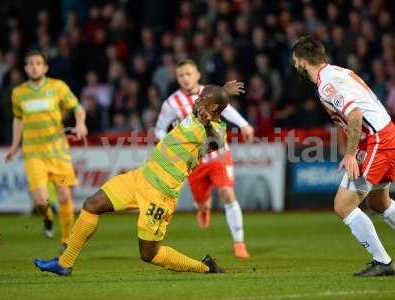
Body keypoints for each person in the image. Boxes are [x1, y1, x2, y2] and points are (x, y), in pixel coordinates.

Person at [33, 84, 241, 276]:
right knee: (92, 205)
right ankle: (64, 263)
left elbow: (217, 142)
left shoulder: (215, 129)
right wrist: (222, 90)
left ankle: (205, 267)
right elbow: (214, 101)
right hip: (141, 177)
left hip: (161, 193)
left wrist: (207, 125)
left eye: (202, 98)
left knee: (149, 254)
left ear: (213, 106)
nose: (197, 99)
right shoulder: (199, 111)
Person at [292, 36, 395, 277]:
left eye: (296, 62)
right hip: (383, 137)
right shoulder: (338, 72)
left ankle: (383, 262)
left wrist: (351, 154)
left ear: (303, 62)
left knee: (343, 204)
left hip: (378, 142)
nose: (296, 66)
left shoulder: (327, 85)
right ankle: (383, 262)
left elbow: (355, 114)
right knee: (379, 203)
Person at [155, 59, 253, 259]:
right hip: (194, 161)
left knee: (227, 193)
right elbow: (158, 129)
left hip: (219, 155)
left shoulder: (211, 91)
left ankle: (239, 243)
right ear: (177, 78)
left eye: (189, 73)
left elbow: (228, 109)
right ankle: (203, 209)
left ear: (198, 74)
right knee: (203, 204)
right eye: (181, 75)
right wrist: (170, 145)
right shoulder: (171, 103)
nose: (185, 78)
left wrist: (244, 124)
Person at [5, 50, 88, 251]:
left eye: (38, 63)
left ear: (45, 67)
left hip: (58, 154)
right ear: (25, 68)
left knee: (64, 197)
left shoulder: (57, 87)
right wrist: (15, 145)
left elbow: (77, 107)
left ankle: (67, 240)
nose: (34, 66)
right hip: (33, 155)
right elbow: (18, 119)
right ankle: (48, 217)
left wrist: (81, 123)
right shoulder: (18, 93)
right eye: (30, 63)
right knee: (41, 202)